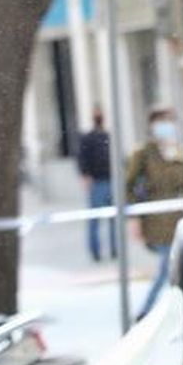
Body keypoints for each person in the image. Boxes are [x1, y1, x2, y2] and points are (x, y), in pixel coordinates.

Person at [126, 105, 183, 316]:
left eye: (170, 121)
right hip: (156, 222)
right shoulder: (144, 153)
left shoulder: (180, 152)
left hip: (179, 221)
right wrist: (133, 218)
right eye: (162, 121)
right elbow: (129, 185)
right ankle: (146, 313)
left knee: (176, 271)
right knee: (166, 270)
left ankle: (174, 313)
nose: (166, 126)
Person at [77, 110, 116, 262]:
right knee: (95, 220)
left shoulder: (107, 136)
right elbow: (82, 159)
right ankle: (95, 252)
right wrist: (86, 176)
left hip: (109, 181)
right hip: (97, 183)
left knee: (112, 219)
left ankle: (114, 250)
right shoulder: (88, 138)